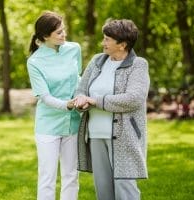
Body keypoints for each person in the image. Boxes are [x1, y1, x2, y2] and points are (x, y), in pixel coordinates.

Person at [74, 19, 150, 200]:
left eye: (108, 39)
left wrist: (95, 101)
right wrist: (81, 100)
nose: (103, 43)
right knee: (103, 190)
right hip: (95, 135)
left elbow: (133, 99)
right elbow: (81, 90)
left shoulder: (138, 64)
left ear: (122, 45)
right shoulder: (97, 61)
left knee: (125, 189)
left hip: (125, 137)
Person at [26, 11, 82, 200]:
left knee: (71, 175)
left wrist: (80, 98)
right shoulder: (34, 62)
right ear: (45, 37)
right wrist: (67, 105)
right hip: (48, 126)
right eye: (58, 33)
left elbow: (78, 79)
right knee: (47, 178)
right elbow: (45, 96)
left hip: (72, 123)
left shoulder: (74, 49)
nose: (64, 34)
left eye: (63, 30)